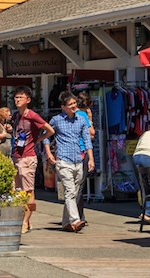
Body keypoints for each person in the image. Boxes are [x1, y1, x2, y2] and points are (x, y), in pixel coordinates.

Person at [44, 92, 93, 233]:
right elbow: (46, 135)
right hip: (63, 161)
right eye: (70, 104)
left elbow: (87, 139)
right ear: (63, 107)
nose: (73, 106)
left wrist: (91, 159)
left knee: (74, 192)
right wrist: (48, 153)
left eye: (74, 103)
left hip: (78, 159)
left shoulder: (81, 120)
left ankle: (66, 222)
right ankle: (75, 220)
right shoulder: (56, 120)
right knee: (70, 191)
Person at [11, 85, 55, 234]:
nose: (17, 100)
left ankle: (25, 222)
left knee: (28, 191)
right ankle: (24, 220)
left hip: (28, 157)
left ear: (28, 100)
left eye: (20, 97)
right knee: (17, 191)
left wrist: (38, 139)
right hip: (16, 156)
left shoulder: (32, 115)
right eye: (16, 97)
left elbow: (50, 130)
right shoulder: (16, 116)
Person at [75, 90, 95, 224]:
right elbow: (91, 133)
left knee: (73, 186)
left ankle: (77, 215)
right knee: (79, 186)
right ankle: (77, 216)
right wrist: (91, 119)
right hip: (82, 151)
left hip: (70, 152)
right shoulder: (82, 115)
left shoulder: (68, 114)